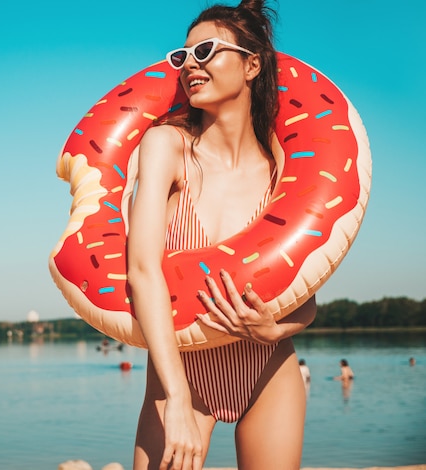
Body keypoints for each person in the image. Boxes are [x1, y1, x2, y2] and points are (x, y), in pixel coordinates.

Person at [126, 1, 317, 469]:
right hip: (182, 375)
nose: (190, 63)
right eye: (183, 55)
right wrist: (176, 399)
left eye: (206, 51)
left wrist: (276, 327)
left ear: (252, 64)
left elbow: (308, 298)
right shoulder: (167, 147)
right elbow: (142, 271)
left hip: (269, 369)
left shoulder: (282, 169)